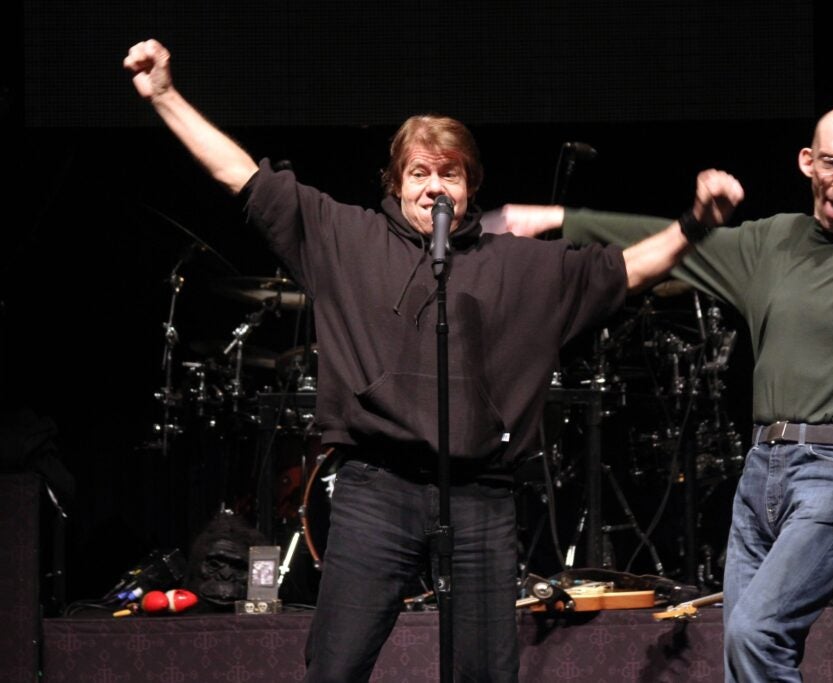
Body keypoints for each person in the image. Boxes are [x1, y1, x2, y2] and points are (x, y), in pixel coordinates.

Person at [123, 39, 743, 682]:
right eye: (420, 172)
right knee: (335, 666)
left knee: (484, 672)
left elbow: (626, 269)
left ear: (469, 187)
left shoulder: (516, 266)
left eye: (450, 173)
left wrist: (695, 223)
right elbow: (240, 176)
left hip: (480, 496)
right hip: (375, 489)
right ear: (396, 183)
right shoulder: (346, 237)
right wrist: (165, 95)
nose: (435, 187)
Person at [490, 105, 833, 681]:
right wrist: (555, 216)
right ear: (808, 163)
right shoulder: (769, 243)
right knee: (745, 640)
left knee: (757, 632)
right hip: (762, 470)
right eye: (830, 163)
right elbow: (662, 238)